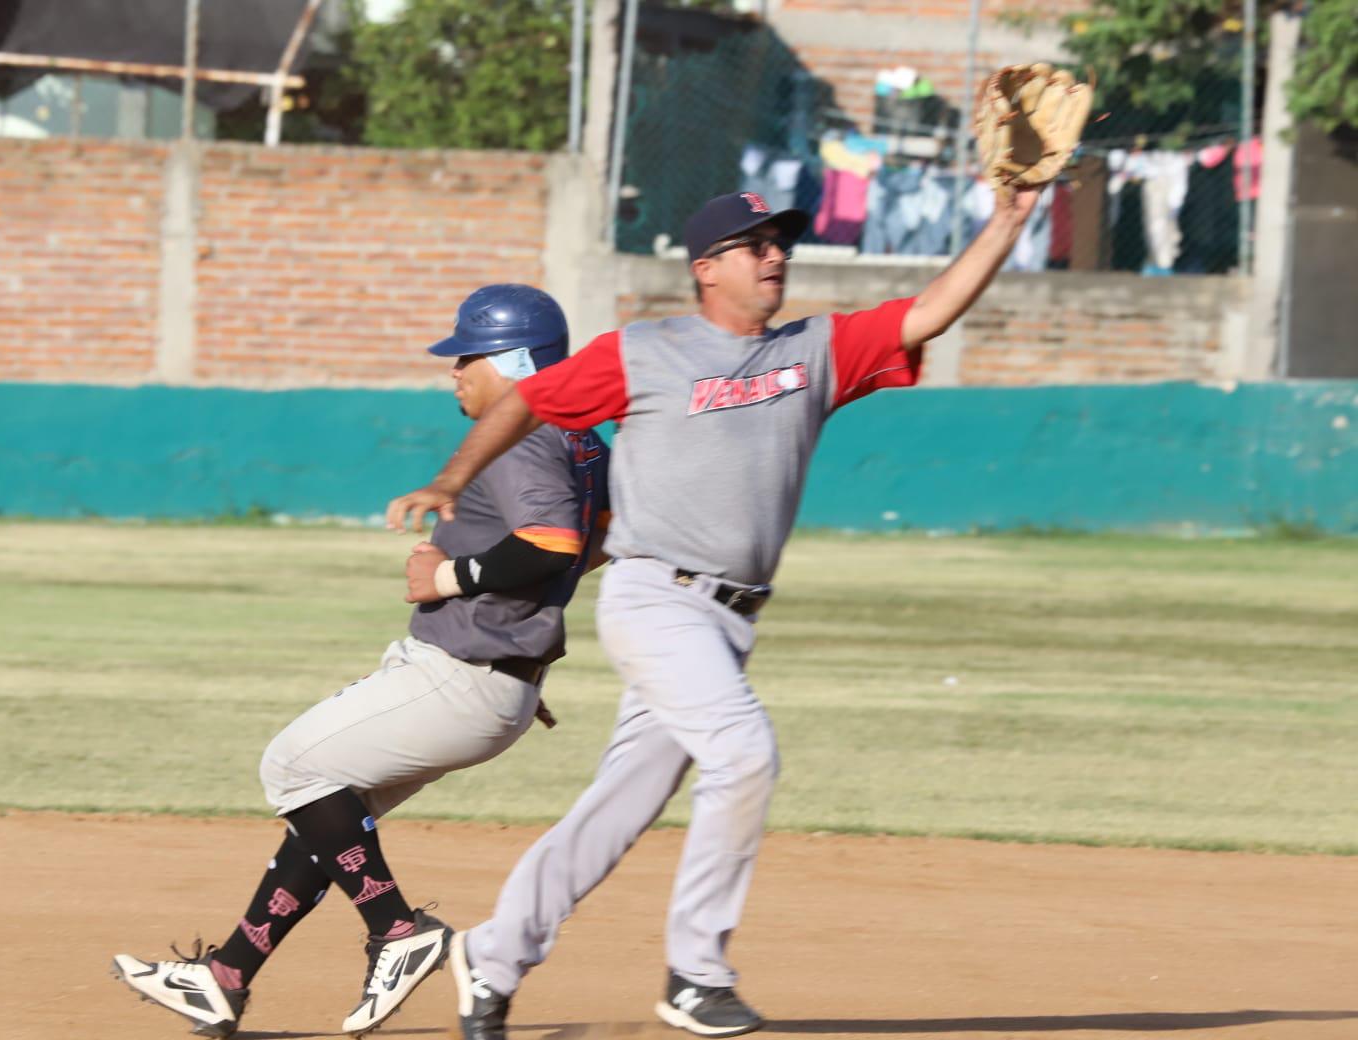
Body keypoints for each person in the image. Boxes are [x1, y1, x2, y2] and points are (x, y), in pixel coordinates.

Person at [386, 185, 1046, 1040]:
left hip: (728, 622)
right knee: (744, 753)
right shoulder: (646, 350)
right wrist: (452, 476)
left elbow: (929, 313)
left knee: (618, 806)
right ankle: (697, 972)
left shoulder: (818, 349)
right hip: (654, 596)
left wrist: (1009, 217)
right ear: (706, 269)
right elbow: (529, 398)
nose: (775, 255)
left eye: (779, 242)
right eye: (752, 243)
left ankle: (496, 952)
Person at [112, 284, 610, 1039]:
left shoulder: (523, 434)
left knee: (291, 767)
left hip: (458, 677)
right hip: (488, 677)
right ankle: (224, 979)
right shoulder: (583, 438)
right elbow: (603, 533)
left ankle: (397, 932)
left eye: (466, 357)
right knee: (328, 823)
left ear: (512, 361)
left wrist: (452, 578)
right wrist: (526, 633)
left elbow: (554, 543)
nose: (455, 374)